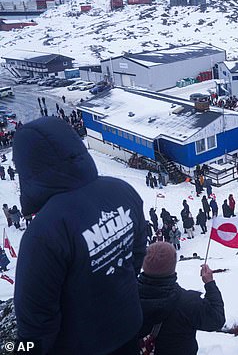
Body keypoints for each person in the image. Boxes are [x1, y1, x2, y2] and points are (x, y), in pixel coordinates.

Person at [13, 117, 147, 354]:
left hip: (81, 345)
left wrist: (21, 350)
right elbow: (137, 255)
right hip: (128, 326)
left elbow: (35, 318)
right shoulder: (121, 190)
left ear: (28, 166)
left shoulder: (45, 231)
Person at [138, 242, 225, 354]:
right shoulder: (188, 302)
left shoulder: (125, 297)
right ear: (173, 265)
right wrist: (210, 284)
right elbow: (217, 320)